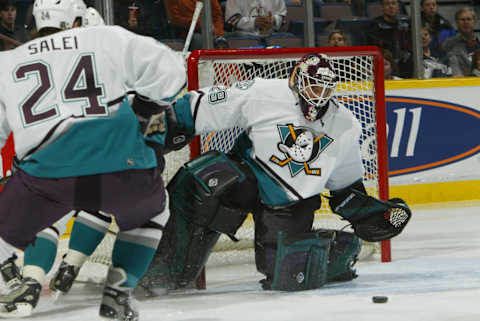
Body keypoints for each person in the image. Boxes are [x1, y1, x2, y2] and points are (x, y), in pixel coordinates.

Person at [137, 53, 411, 294]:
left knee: (290, 274)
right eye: (314, 87)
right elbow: (201, 107)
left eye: (325, 89)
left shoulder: (345, 126)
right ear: (298, 81)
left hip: (291, 202)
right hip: (248, 177)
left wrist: (374, 215)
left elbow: (345, 191)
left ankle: (341, 248)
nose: (319, 96)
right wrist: (155, 132)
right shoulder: (263, 92)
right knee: (203, 180)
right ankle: (163, 271)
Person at [0, 0, 188, 320]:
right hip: (122, 162)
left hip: (46, 173)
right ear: (76, 20)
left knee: (38, 217)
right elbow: (171, 71)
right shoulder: (107, 37)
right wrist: (144, 110)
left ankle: (29, 278)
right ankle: (119, 290)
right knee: (152, 211)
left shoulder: (7, 61)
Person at [366, 0, 412, 78]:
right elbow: (374, 50)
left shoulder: (405, 25)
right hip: (384, 65)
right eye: (387, 4)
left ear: (398, 6)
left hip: (404, 65)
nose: (391, 6)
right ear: (382, 7)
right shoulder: (375, 25)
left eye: (393, 3)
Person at [441, 7, 480, 77]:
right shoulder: (448, 44)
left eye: (469, 19)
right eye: (463, 20)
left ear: (474, 21)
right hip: (460, 84)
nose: (466, 22)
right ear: (457, 22)